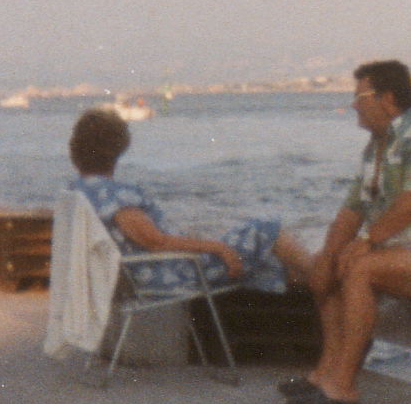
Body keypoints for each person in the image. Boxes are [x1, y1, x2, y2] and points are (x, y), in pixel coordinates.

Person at [282, 59, 411, 404]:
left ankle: (342, 386)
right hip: (392, 253)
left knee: (360, 267)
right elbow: (352, 210)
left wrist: (367, 242)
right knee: (333, 264)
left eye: (360, 96)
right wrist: (327, 257)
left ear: (387, 99)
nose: (353, 105)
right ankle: (324, 373)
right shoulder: (376, 147)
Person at [67, 105, 312, 294]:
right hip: (167, 275)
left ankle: (324, 285)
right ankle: (327, 282)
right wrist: (220, 248)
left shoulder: (79, 191)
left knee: (275, 260)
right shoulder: (115, 196)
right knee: (266, 229)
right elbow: (155, 242)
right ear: (119, 147)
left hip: (138, 276)